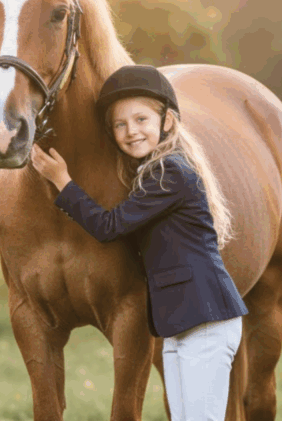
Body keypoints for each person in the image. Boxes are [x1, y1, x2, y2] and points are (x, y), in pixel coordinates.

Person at [30, 64, 248, 421]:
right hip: (180, 325)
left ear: (168, 122)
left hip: (205, 322)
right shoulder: (153, 171)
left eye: (141, 119)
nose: (131, 131)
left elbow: (108, 226)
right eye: (120, 124)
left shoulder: (169, 172)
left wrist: (62, 181)